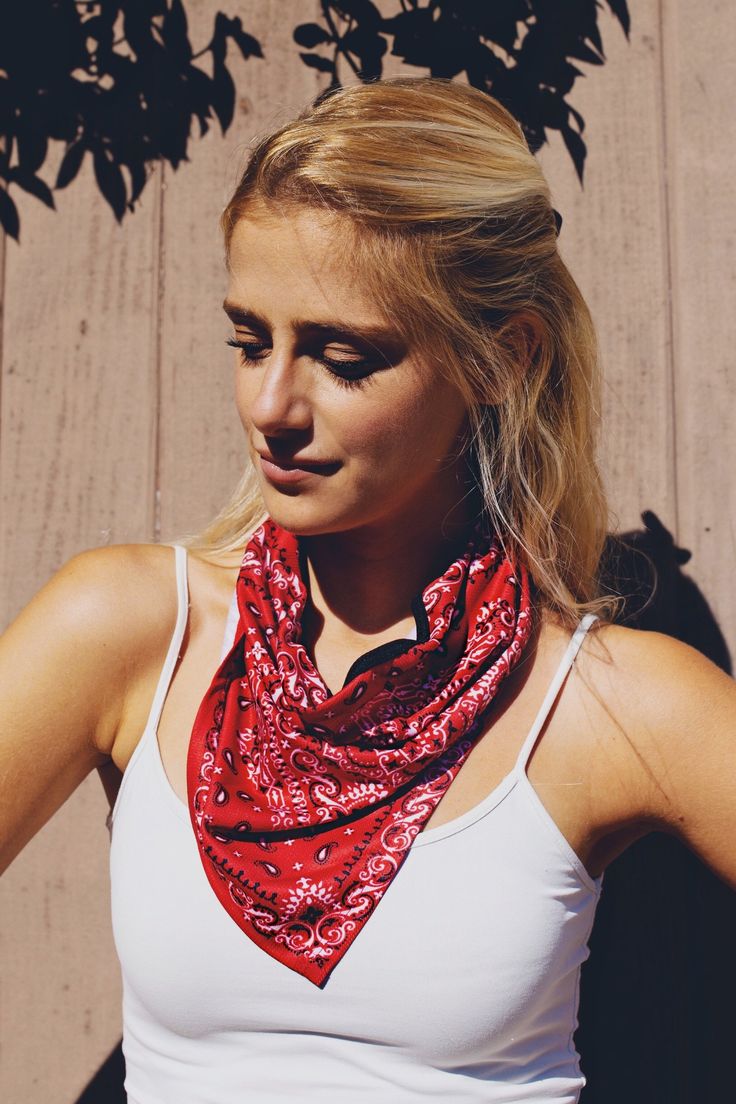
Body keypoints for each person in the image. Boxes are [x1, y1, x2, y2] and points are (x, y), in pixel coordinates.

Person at [1, 76, 734, 1104]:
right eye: (249, 341)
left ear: (500, 359)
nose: (270, 405)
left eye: (343, 358)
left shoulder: (607, 702)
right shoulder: (128, 628)